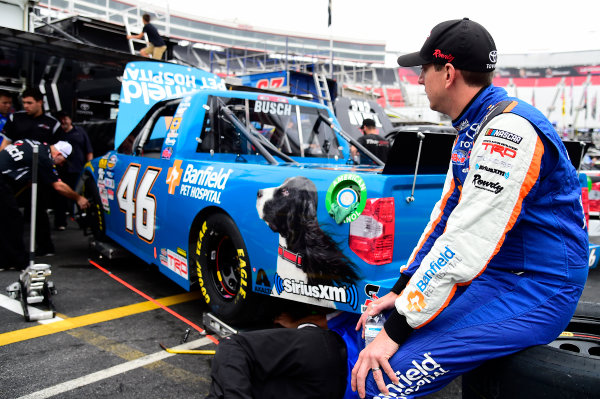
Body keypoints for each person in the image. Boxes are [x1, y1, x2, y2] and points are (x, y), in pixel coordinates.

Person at [351, 18, 588, 398]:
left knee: (386, 378)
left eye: (423, 68)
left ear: (447, 73)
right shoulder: (476, 124)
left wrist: (397, 330)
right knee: (373, 342)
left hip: (540, 286)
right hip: (498, 277)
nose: (417, 79)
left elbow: (466, 241)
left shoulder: (507, 131)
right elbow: (445, 218)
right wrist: (403, 288)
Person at [206, 305, 361, 399]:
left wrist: (295, 324)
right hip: (340, 374)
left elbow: (233, 346)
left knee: (233, 352)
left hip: (335, 360)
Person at [0, 139, 90, 269]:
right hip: (2, 179)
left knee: (9, 218)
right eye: (62, 162)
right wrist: (78, 198)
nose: (60, 165)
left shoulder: (35, 144)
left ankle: (7, 259)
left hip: (5, 175)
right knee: (12, 221)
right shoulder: (44, 157)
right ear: (58, 154)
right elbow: (58, 186)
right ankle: (15, 261)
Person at [53, 111, 94, 230]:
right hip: (62, 170)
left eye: (65, 118)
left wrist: (89, 166)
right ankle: (60, 222)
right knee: (60, 196)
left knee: (80, 195)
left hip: (78, 169)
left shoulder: (80, 132)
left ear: (70, 119)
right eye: (61, 119)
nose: (63, 121)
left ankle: (83, 222)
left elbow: (89, 150)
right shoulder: (58, 133)